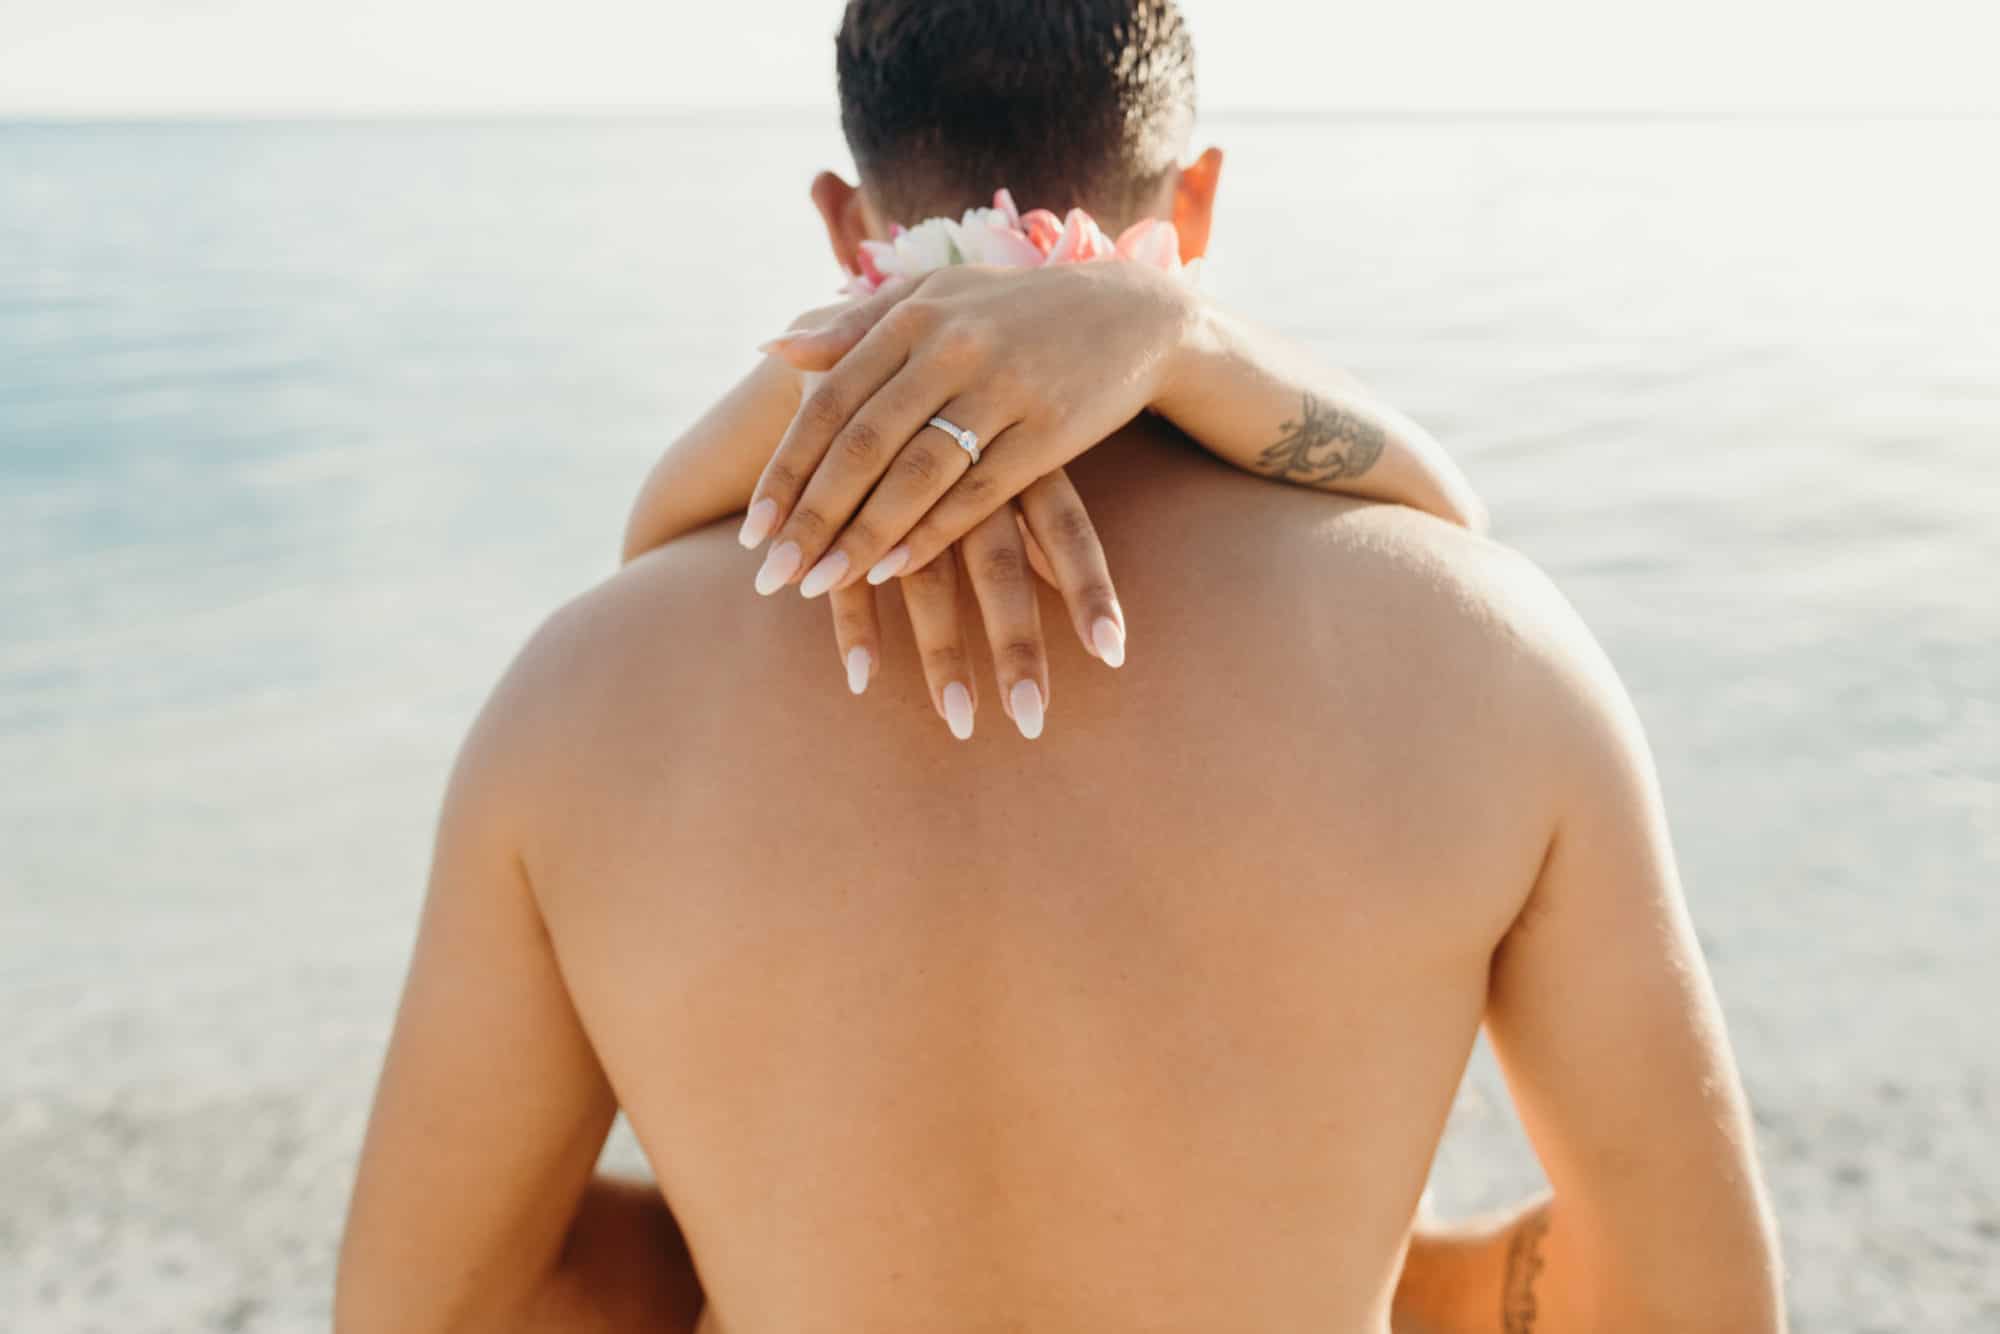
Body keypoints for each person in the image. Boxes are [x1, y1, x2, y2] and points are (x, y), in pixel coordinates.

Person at [335, 3, 1785, 1331]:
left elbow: (427, 1313)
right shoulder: (1492, 655)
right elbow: (1698, 1308)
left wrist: (766, 1248)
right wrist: (1375, 1271)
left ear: (848, 229)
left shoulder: (580, 695)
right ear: (1197, 202)